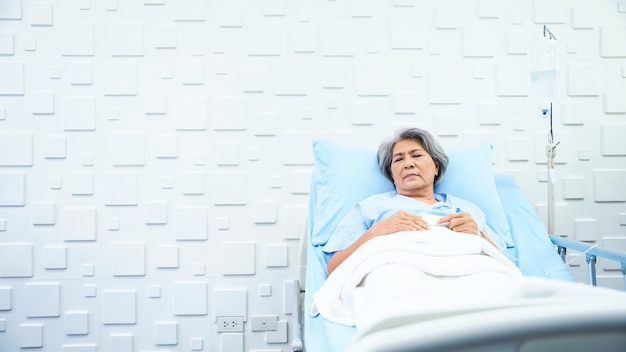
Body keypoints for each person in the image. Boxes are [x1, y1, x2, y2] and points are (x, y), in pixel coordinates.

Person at [323, 127, 505, 275]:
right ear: (392, 174)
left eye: (416, 155)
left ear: (436, 166)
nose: (408, 163)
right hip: (399, 274)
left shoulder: (465, 209)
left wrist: (478, 234)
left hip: (466, 271)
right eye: (399, 159)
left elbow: (500, 259)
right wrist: (376, 232)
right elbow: (334, 268)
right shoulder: (371, 207)